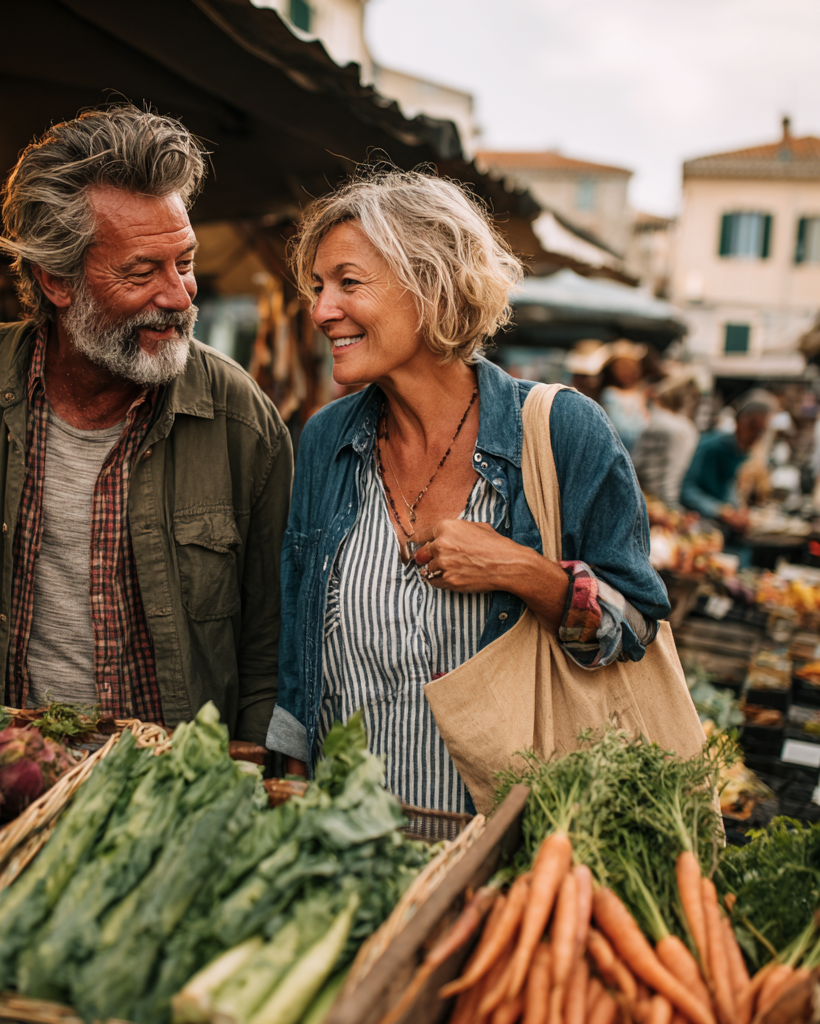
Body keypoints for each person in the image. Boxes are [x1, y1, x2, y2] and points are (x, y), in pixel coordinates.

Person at [0, 106, 293, 744]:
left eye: (186, 262)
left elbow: (269, 651)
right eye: (142, 272)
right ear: (56, 279)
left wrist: (248, 785)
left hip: (166, 795)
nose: (180, 295)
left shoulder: (240, 421)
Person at [265, 168, 669, 812]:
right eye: (317, 287)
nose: (321, 311)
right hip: (344, 846)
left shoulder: (564, 431)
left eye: (348, 283)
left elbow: (636, 627)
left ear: (431, 285)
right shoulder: (326, 440)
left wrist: (522, 570)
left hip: (499, 856)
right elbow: (299, 641)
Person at [680, 398, 771, 539]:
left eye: (760, 431)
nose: (755, 436)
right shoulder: (711, 446)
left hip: (723, 530)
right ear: (738, 422)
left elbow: (728, 488)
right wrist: (720, 511)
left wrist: (738, 511)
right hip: (696, 524)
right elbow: (686, 489)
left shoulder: (741, 453)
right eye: (753, 427)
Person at [632, 375, 701, 507]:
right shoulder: (685, 429)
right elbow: (676, 473)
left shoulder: (652, 422)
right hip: (667, 501)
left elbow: (636, 463)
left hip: (646, 497)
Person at [599, 341, 650, 453]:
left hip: (639, 448)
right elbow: (618, 425)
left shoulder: (641, 393)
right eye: (621, 367)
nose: (625, 372)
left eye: (629, 367)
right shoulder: (610, 393)